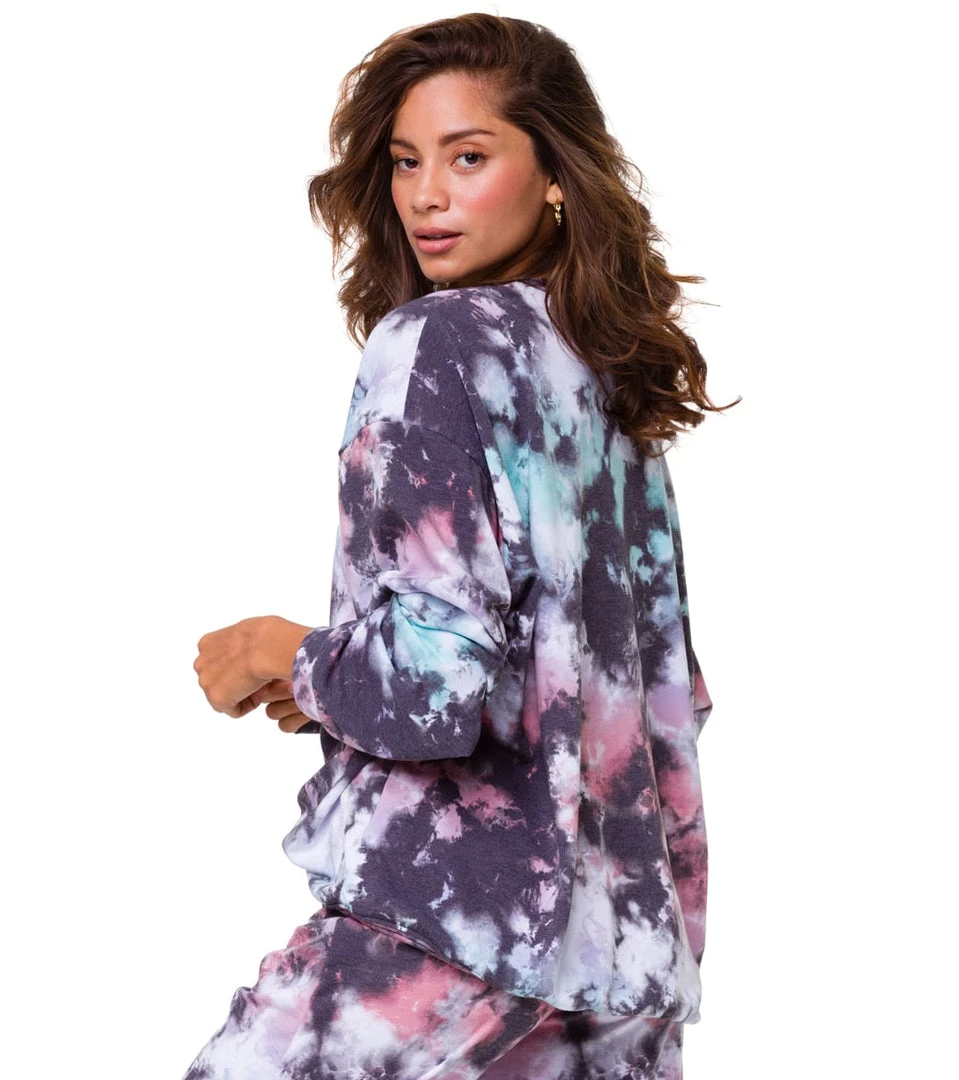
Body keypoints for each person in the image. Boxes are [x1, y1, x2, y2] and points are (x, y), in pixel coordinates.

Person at [187, 13, 728, 1080]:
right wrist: (341, 681)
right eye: (405, 162)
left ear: (556, 174)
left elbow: (432, 689)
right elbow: (630, 689)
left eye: (467, 157)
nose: (426, 194)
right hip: (618, 950)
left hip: (451, 932)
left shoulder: (437, 342)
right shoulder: (601, 371)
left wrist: (278, 650)